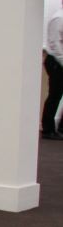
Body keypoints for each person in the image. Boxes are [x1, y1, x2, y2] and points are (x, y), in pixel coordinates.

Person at [44, 8, 63, 139]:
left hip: (59, 61)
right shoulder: (59, 18)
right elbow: (55, 44)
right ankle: (48, 130)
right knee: (55, 95)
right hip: (56, 61)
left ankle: (61, 128)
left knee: (55, 95)